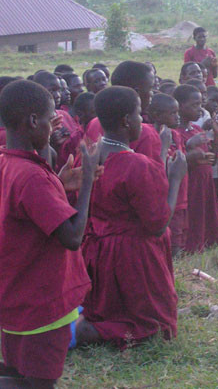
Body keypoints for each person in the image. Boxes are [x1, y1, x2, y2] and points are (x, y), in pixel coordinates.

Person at [0, 80, 96, 387]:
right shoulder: (31, 176)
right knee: (40, 382)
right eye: (48, 117)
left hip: (17, 295)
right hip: (42, 303)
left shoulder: (8, 162)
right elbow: (71, 238)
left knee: (20, 373)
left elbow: (25, 210)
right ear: (32, 121)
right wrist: (89, 182)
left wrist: (58, 183)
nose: (52, 126)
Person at [77, 86, 186, 350]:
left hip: (101, 253)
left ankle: (86, 324)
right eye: (139, 113)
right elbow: (158, 225)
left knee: (109, 310)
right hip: (133, 258)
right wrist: (175, 180)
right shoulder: (135, 164)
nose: (142, 119)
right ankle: (84, 332)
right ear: (126, 120)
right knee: (157, 328)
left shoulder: (93, 153)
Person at [174, 84, 218, 252]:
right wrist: (189, 145)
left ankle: (207, 241)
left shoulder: (196, 129)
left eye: (201, 104)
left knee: (205, 213)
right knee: (192, 216)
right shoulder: (174, 132)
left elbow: (213, 160)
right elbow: (174, 162)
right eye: (195, 105)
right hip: (189, 184)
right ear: (180, 106)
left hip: (204, 181)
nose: (200, 109)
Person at [149, 93, 190, 254]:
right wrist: (163, 147)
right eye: (172, 113)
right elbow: (155, 171)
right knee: (168, 242)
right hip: (164, 198)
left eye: (177, 112)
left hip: (180, 195)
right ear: (157, 115)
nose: (177, 117)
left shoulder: (176, 135)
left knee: (179, 238)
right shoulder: (151, 136)